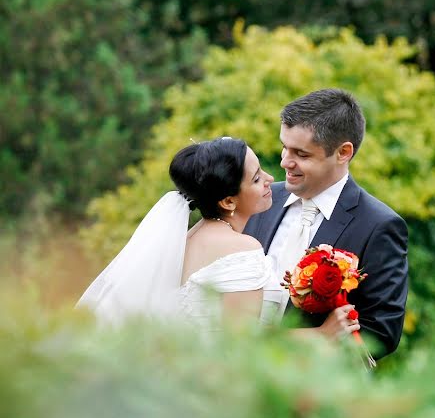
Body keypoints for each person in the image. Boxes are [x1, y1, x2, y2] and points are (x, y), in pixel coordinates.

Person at [77, 137, 361, 338]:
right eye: (255, 178)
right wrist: (322, 335)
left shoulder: (188, 239)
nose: (269, 178)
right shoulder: (242, 249)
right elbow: (244, 348)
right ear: (227, 201)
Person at [245, 88, 408, 359]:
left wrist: (318, 346)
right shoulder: (260, 200)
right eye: (284, 147)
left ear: (343, 152)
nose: (285, 161)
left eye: (302, 154)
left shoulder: (379, 225)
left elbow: (381, 333)